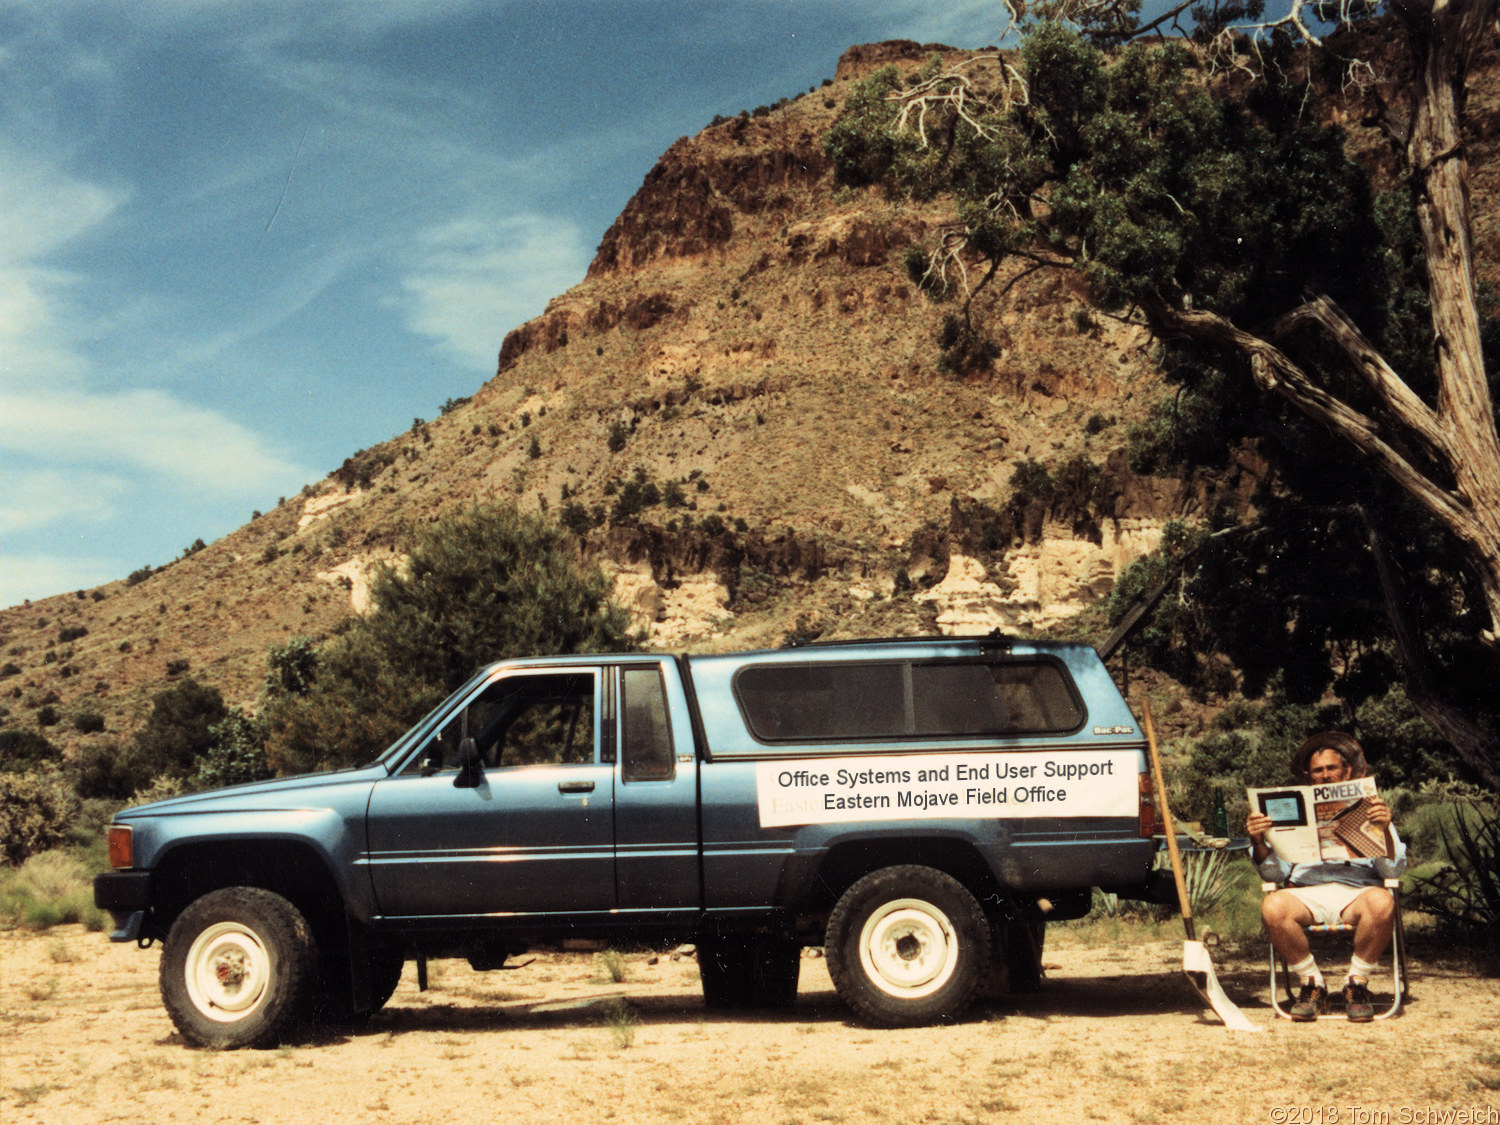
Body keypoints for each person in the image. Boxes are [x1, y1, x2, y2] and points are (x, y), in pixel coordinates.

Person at [1247, 731, 1407, 1022]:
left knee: (1383, 902)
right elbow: (1275, 873)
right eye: (1317, 770)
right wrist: (1259, 841)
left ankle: (1356, 984)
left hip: (1357, 890)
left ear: (1346, 770)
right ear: (1309, 776)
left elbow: (1392, 872)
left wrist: (1384, 828)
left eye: (1331, 768)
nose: (1324, 775)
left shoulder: (1372, 808)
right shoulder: (1292, 808)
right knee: (1273, 906)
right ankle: (1312, 984)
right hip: (1307, 890)